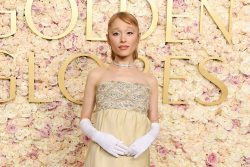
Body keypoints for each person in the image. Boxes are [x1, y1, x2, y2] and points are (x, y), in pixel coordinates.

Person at [79, 11, 160, 167]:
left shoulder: (149, 80)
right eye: (116, 33)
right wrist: (99, 137)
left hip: (135, 153)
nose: (123, 39)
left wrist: (147, 139)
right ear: (108, 38)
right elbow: (84, 120)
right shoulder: (97, 75)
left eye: (129, 33)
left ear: (138, 36)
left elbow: (155, 123)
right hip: (102, 153)